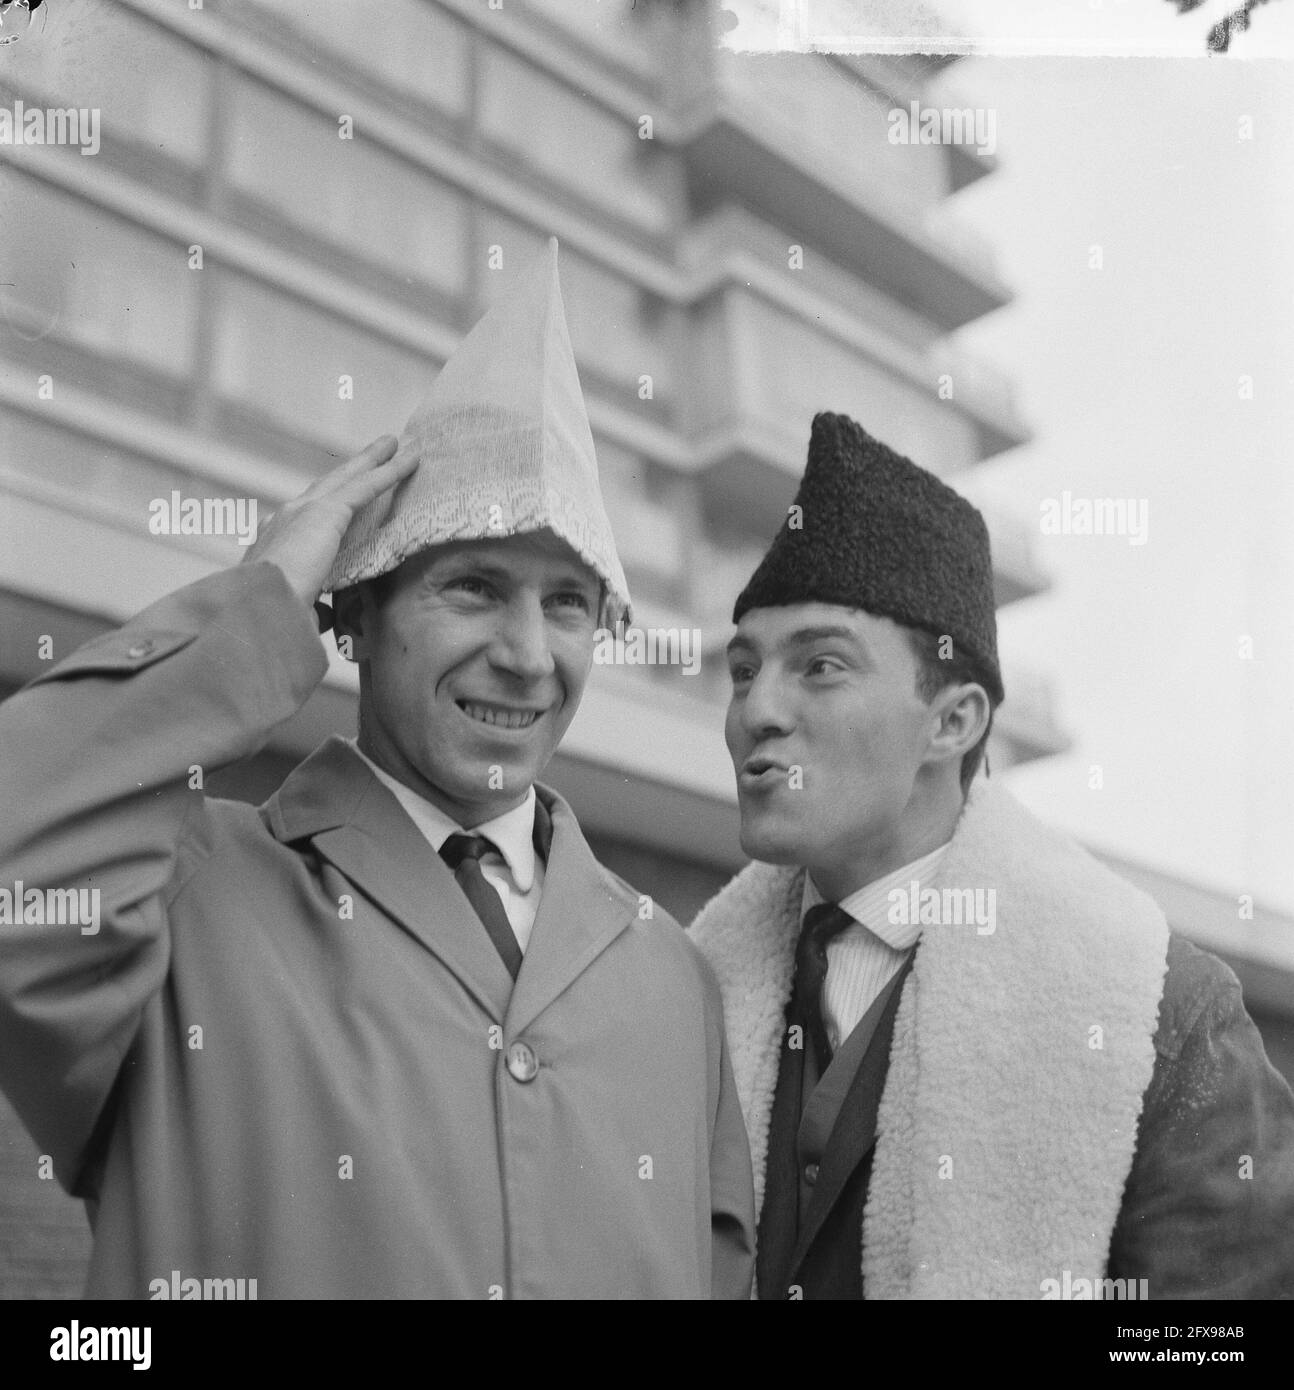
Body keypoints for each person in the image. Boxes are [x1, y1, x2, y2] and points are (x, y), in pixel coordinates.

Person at [0, 239, 754, 1299]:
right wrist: (262, 597)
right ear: (353, 614)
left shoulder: (674, 980)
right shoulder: (175, 894)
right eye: (475, 586)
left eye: (568, 602)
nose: (528, 655)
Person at [689, 410, 1294, 1299]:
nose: (757, 710)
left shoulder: (1163, 1011)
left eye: (819, 666)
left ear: (954, 720)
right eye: (745, 669)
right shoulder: (687, 990)